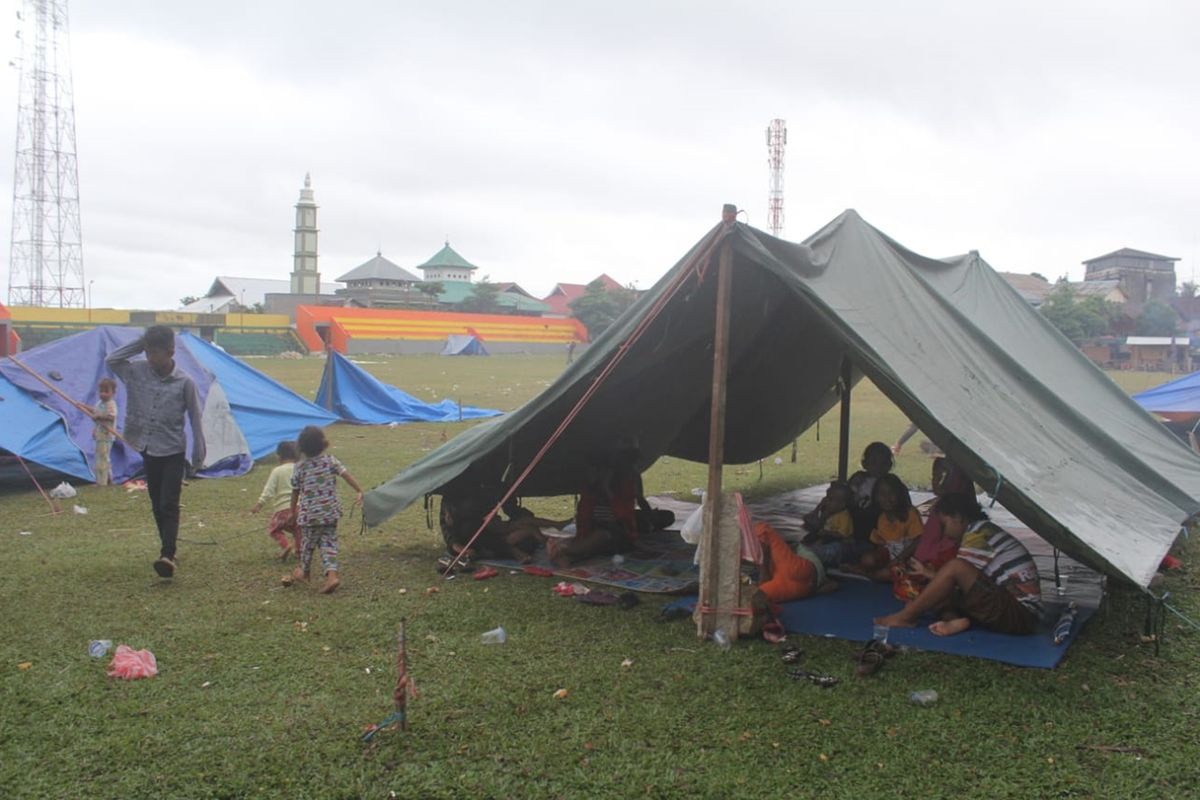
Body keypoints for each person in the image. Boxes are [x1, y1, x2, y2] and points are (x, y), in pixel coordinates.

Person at [106, 326, 205, 578]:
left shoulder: (185, 382)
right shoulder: (137, 371)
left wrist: (198, 454)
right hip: (147, 447)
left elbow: (195, 418)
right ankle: (168, 549)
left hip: (173, 450)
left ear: (171, 352)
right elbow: (112, 359)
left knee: (168, 503)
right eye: (147, 352)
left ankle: (167, 555)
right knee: (156, 504)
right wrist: (143, 342)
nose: (150, 358)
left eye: (155, 353)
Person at [874, 493, 1043, 636]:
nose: (943, 532)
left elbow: (955, 577)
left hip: (1021, 615)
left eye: (943, 525)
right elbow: (960, 587)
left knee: (955, 568)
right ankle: (953, 621)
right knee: (938, 596)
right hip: (1012, 610)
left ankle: (905, 617)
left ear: (957, 517)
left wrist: (918, 602)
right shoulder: (980, 531)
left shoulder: (978, 534)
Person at [547, 438, 673, 567]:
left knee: (667, 516)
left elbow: (627, 511)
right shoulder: (600, 480)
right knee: (599, 537)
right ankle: (566, 552)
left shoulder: (630, 479)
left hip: (619, 527)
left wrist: (650, 519)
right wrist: (606, 490)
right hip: (600, 527)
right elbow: (586, 511)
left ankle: (566, 551)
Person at [285, 425, 363, 594]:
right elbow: (346, 475)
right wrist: (359, 490)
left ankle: (304, 573)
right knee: (329, 543)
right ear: (323, 444)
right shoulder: (330, 461)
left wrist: (292, 512)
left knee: (307, 544)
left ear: (301, 447)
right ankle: (332, 576)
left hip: (310, 515)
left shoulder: (299, 467)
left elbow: (295, 491)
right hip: (330, 513)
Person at [891, 457, 971, 601]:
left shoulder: (957, 513)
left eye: (943, 478)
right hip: (927, 564)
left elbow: (960, 583)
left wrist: (927, 572)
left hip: (940, 567)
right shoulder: (940, 509)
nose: (937, 482)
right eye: (935, 477)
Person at [848, 473, 923, 581]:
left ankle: (864, 573)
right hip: (890, 555)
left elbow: (918, 540)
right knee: (867, 559)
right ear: (876, 497)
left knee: (885, 574)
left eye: (891, 493)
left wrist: (898, 560)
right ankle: (868, 570)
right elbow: (882, 544)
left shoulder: (910, 513)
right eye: (882, 494)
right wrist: (881, 560)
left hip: (907, 558)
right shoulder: (882, 518)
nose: (887, 498)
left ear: (899, 494)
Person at [755, 521, 838, 603]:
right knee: (757, 597)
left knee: (758, 596)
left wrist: (764, 571)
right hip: (805, 583)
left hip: (804, 581)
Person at [250, 440, 301, 561]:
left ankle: (286, 545)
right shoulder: (300, 469)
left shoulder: (277, 471)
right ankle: (299, 552)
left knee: (274, 529)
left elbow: (269, 490)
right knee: (299, 531)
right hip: (300, 509)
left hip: (282, 510)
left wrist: (259, 505)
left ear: (279, 456)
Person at [800, 481, 855, 568]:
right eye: (826, 497)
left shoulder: (844, 516)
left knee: (833, 549)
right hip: (826, 540)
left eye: (830, 499)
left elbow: (842, 534)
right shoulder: (828, 512)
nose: (826, 501)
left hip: (841, 544)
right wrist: (820, 509)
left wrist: (826, 533)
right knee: (809, 541)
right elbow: (814, 522)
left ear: (842, 504)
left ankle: (815, 556)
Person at [846, 441, 894, 540]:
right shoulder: (858, 479)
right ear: (864, 463)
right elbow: (845, 500)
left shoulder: (892, 483)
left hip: (881, 530)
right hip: (854, 527)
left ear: (889, 465)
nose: (879, 467)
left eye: (883, 463)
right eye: (874, 463)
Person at [90, 377, 119, 487]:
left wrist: (98, 416)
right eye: (101, 391)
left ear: (113, 392)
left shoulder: (111, 404)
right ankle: (109, 479)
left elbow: (111, 417)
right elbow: (94, 411)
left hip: (107, 436)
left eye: (106, 391)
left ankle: (101, 482)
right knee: (103, 457)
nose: (103, 394)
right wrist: (82, 406)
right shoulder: (99, 403)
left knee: (102, 458)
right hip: (99, 435)